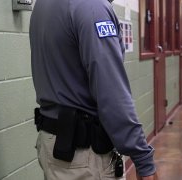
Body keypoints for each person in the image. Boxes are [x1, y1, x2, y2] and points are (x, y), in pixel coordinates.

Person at [29, 0, 157, 179]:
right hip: (83, 156)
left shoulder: (43, 4)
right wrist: (143, 158)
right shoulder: (93, 7)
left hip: (53, 145)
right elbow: (113, 95)